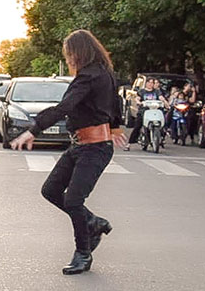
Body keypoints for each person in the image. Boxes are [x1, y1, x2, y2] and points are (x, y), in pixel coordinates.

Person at [10, 29, 128, 275]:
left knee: (74, 200)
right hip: (80, 145)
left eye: (69, 54)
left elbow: (65, 106)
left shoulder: (89, 77)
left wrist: (34, 130)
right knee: (50, 190)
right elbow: (114, 101)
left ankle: (83, 253)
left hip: (94, 148)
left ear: (78, 53)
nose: (67, 60)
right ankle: (93, 223)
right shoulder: (103, 73)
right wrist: (115, 126)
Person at [125, 78, 168, 151]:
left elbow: (161, 98)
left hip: (154, 111)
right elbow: (137, 98)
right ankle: (129, 144)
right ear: (146, 83)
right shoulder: (142, 91)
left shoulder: (157, 91)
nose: (151, 84)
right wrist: (138, 102)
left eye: (152, 83)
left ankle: (160, 139)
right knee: (137, 126)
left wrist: (166, 103)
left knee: (162, 124)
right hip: (144, 112)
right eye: (149, 82)